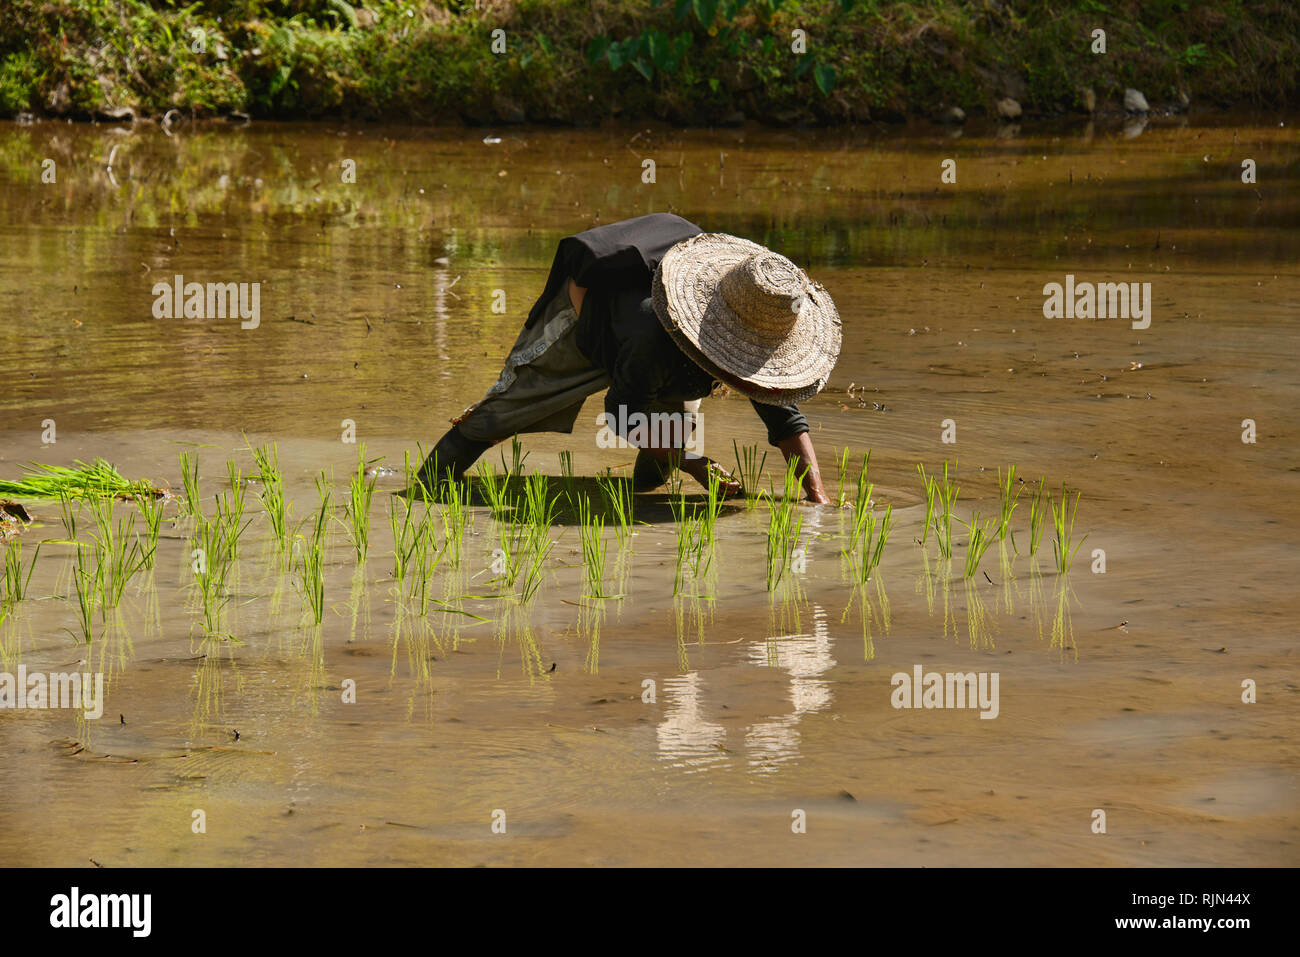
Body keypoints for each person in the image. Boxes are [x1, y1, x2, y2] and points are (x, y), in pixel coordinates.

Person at [416, 212, 841, 504]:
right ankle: (421, 495)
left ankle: (638, 503)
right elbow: (622, 412)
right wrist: (695, 464)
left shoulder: (757, 316)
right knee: (500, 416)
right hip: (590, 317)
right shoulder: (650, 338)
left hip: (659, 344)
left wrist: (816, 497)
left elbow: (783, 416)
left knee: (673, 427)